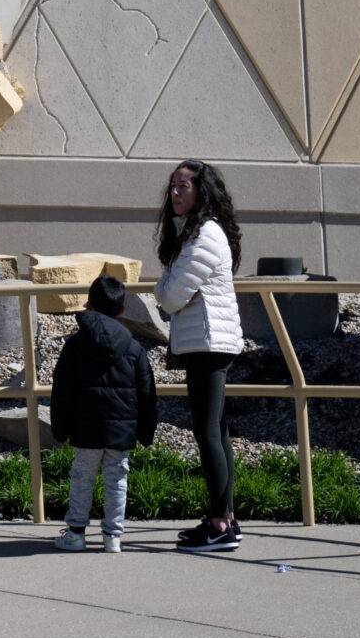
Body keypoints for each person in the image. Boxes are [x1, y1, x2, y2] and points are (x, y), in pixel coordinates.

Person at [154, 159, 245, 550]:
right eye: (173, 185)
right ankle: (224, 517)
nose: (175, 193)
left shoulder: (205, 234)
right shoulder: (192, 233)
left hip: (209, 343)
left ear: (201, 191)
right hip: (204, 342)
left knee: (207, 430)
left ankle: (221, 524)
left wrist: (167, 294)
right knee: (216, 429)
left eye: (184, 186)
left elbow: (170, 295)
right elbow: (173, 290)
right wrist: (170, 292)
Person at [49, 274, 158, 551]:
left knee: (82, 477)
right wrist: (145, 431)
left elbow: (62, 391)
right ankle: (113, 537)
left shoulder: (74, 345)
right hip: (121, 431)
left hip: (86, 430)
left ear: (88, 306)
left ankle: (75, 533)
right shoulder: (134, 348)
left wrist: (60, 428)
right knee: (117, 478)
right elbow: (146, 393)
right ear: (122, 310)